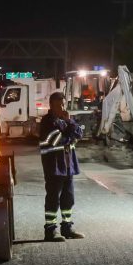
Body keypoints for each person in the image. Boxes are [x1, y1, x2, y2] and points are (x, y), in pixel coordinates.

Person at [38, 91, 85, 242]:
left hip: (67, 166)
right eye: (59, 105)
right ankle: (50, 231)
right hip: (54, 167)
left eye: (63, 104)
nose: (62, 107)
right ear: (51, 105)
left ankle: (67, 228)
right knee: (53, 198)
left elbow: (79, 133)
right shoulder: (47, 122)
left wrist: (70, 123)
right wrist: (70, 136)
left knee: (68, 198)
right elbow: (58, 140)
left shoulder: (65, 120)